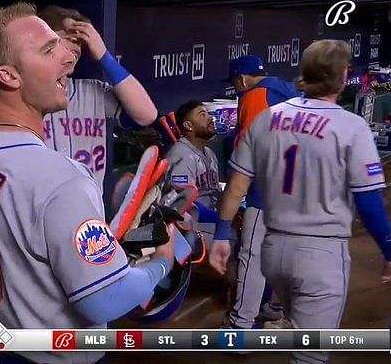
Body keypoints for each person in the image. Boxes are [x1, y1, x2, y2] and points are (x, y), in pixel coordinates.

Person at [0, 2, 173, 364]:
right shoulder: (61, 180)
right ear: (9, 76)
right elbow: (106, 299)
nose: (67, 57)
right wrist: (162, 264)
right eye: (49, 49)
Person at [210, 40, 391, 364]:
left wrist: (222, 233)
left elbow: (236, 185)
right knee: (310, 355)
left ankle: (257, 323)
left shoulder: (266, 116)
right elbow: (368, 201)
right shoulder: (351, 126)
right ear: (343, 76)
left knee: (270, 289)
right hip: (320, 253)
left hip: (273, 246)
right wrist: (389, 248)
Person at [0, 5, 158, 189]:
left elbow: (146, 115)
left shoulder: (91, 92)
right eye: (68, 38)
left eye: (80, 42)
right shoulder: (13, 96)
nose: (76, 47)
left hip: (87, 209)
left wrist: (104, 56)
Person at [213, 55, 299, 329]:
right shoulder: (290, 91)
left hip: (269, 191)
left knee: (253, 257)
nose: (237, 89)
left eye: (235, 84)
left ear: (242, 79)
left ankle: (241, 325)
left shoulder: (254, 96)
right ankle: (280, 311)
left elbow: (247, 160)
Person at [164, 100, 221, 243]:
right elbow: (180, 204)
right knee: (235, 239)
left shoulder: (209, 153)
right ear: (188, 125)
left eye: (208, 114)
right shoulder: (181, 154)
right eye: (202, 115)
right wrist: (221, 219)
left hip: (210, 221)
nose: (210, 118)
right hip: (188, 227)